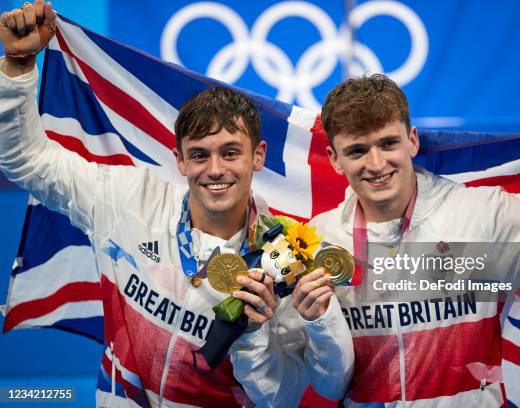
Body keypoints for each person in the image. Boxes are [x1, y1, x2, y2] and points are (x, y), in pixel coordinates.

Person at [0, 1, 353, 407]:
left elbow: (284, 399)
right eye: (200, 155)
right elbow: (26, 161)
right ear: (180, 160)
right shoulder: (127, 199)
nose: (215, 170)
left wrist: (252, 337)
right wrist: (18, 65)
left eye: (231, 153)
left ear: (258, 156)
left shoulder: (284, 260)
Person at [310, 73, 520, 406]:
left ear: (412, 140)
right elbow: (328, 385)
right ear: (334, 159)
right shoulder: (320, 241)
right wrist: (316, 323)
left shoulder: (484, 214)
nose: (376, 163)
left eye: (388, 143)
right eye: (357, 151)